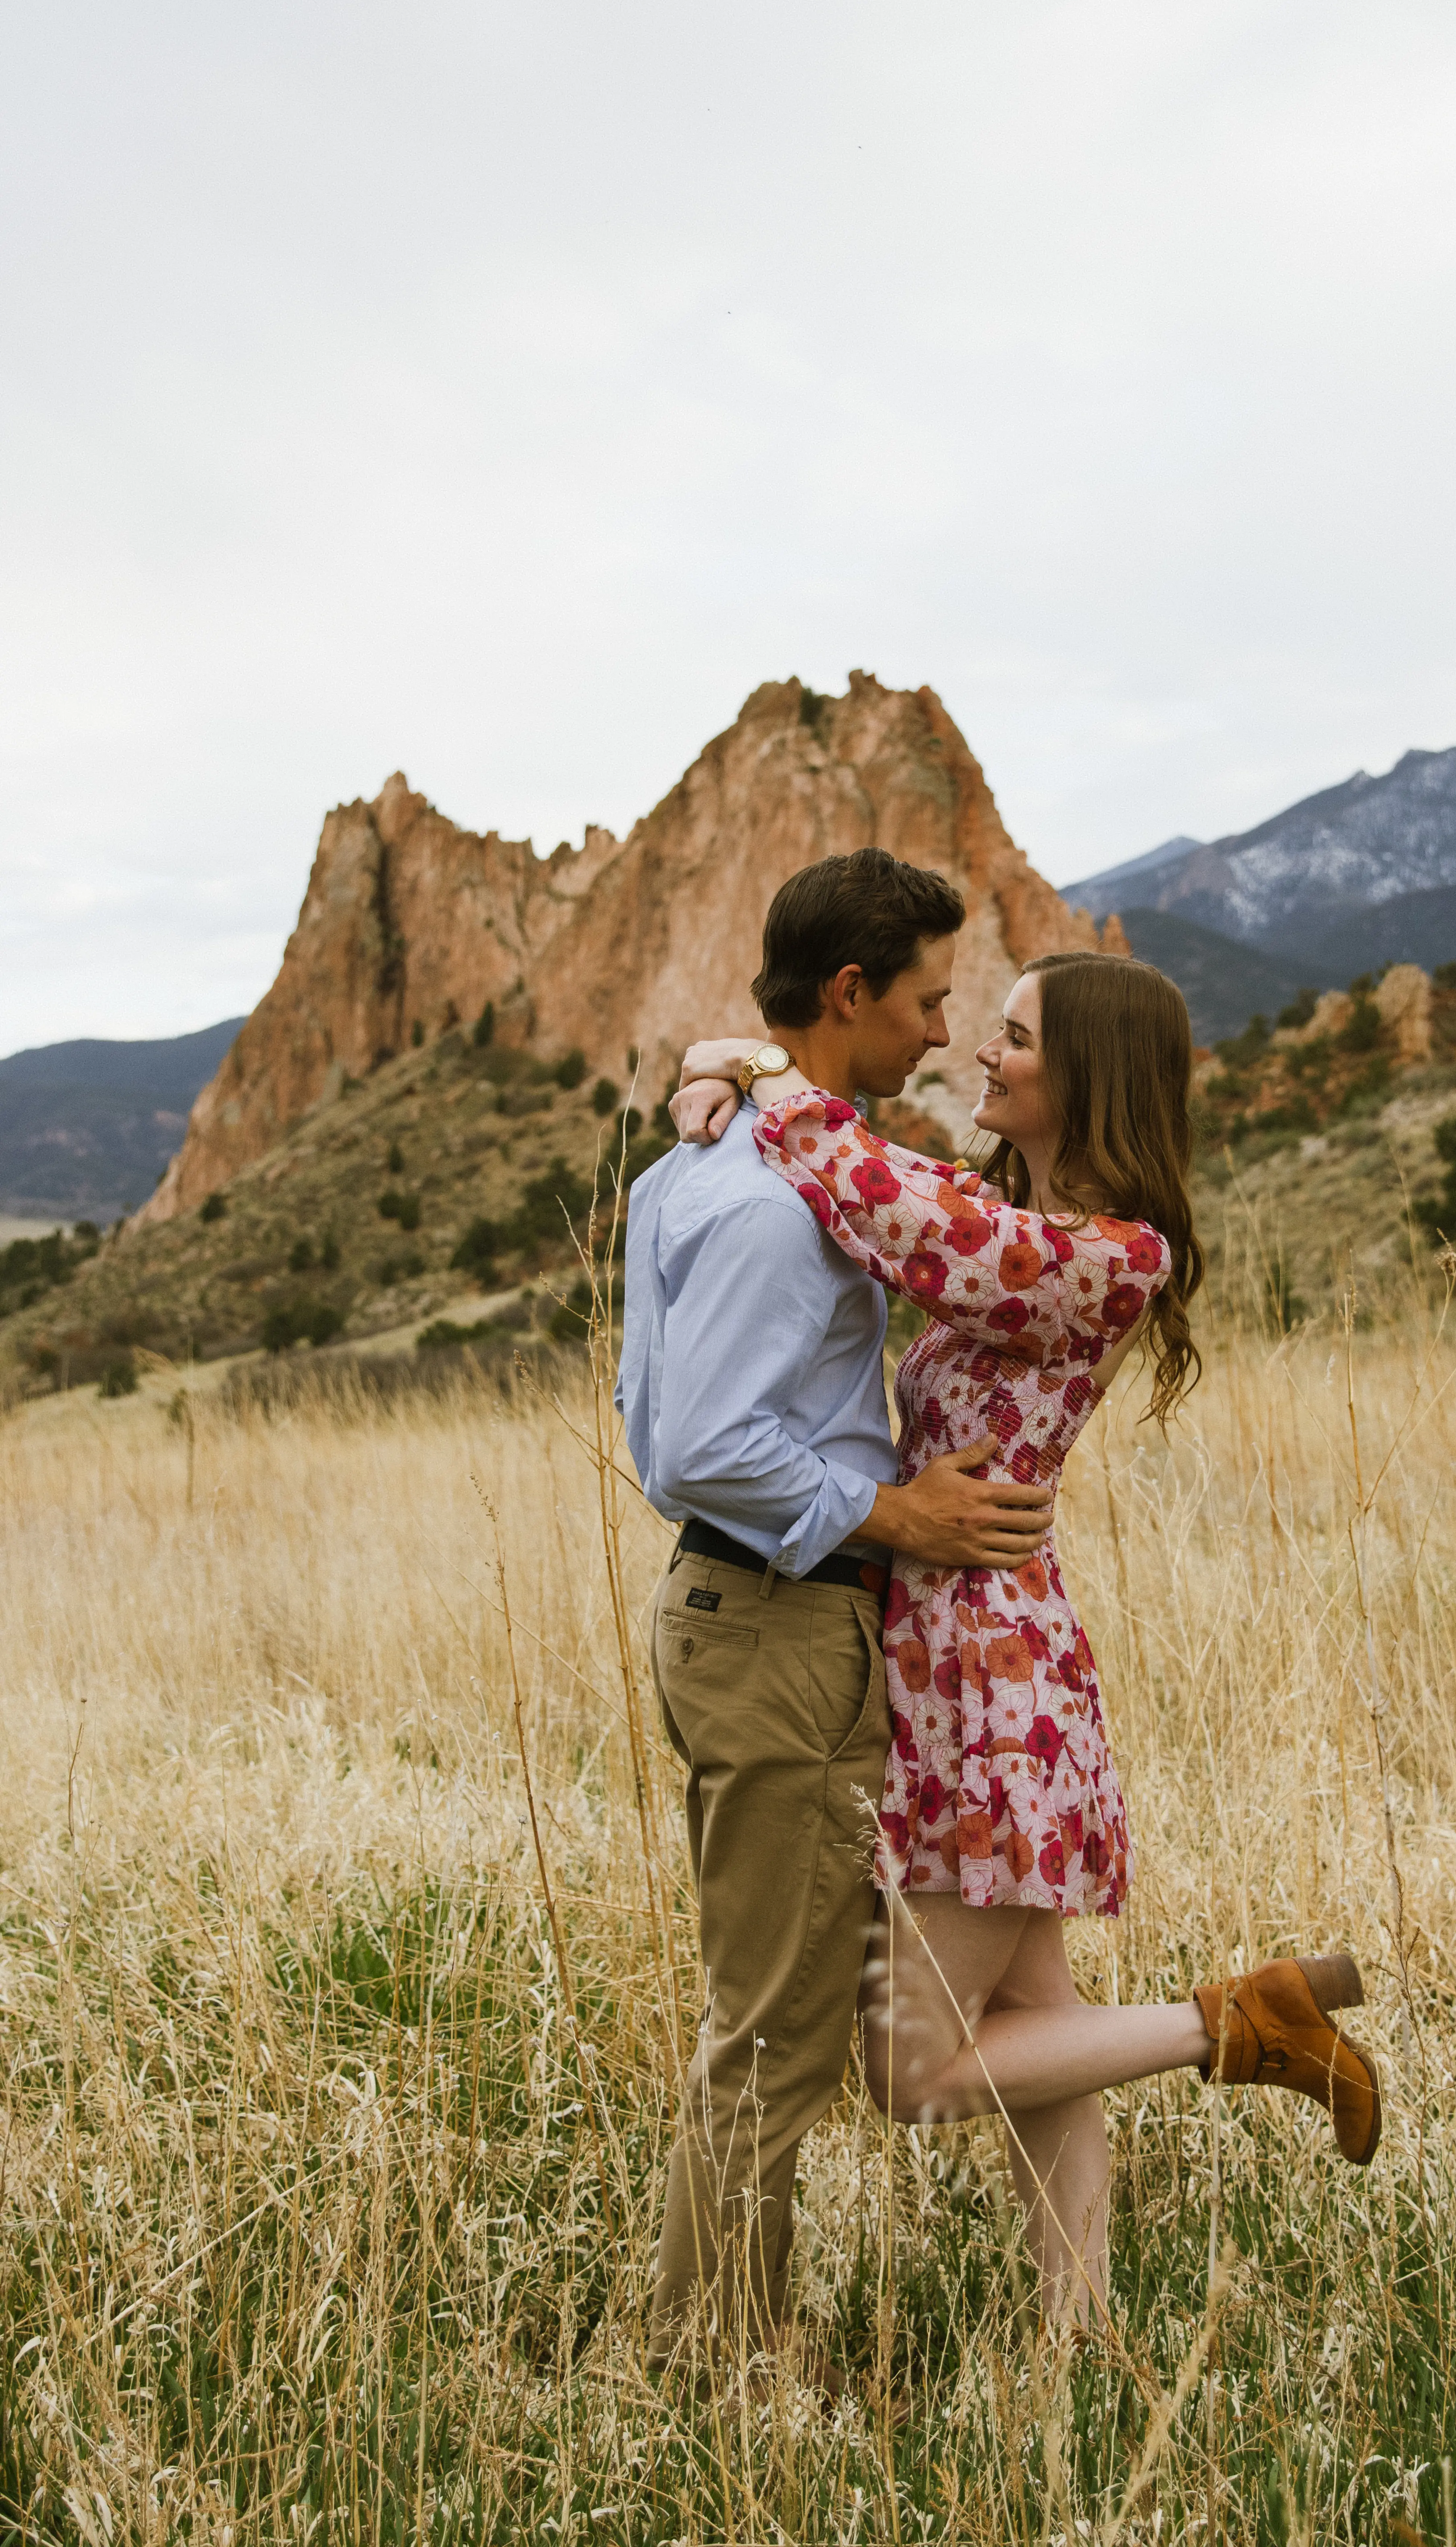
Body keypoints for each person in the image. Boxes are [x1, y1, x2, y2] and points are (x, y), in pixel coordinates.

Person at [674, 951, 1380, 2341]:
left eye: (1013, 1038)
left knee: (909, 2066)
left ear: (1088, 1076)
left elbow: (896, 1215)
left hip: (997, 1694)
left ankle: (1245, 2018)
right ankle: (1082, 2345)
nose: (980, 1055)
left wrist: (756, 1072)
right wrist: (728, 1069)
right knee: (1044, 2026)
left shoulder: (1106, 1259)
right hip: (953, 1657)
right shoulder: (1024, 1218)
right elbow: (907, 1199)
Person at [617, 848, 1059, 2373]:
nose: (946, 1034)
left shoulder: (701, 1163)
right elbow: (694, 1449)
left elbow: (651, 1420)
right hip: (782, 1625)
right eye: (930, 1001)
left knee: (779, 2008)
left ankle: (714, 2331)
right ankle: (711, 2357)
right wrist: (897, 1512)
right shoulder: (764, 1211)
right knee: (783, 2032)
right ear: (850, 992)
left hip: (749, 1620)